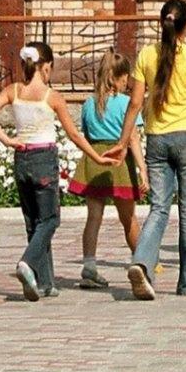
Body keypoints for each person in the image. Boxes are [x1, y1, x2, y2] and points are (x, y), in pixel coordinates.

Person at [0, 39, 91, 299]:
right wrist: (95, 156)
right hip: (43, 158)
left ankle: (45, 282)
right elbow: (74, 134)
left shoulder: (14, 91)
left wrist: (7, 139)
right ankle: (27, 263)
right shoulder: (51, 97)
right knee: (50, 219)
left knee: (34, 223)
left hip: (22, 158)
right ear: (46, 67)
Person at [128, 0, 186, 300]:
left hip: (155, 138)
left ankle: (142, 261)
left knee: (158, 207)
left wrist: (123, 140)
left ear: (161, 23)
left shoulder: (145, 55)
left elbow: (136, 102)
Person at [71, 46, 145, 291]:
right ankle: (141, 260)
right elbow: (133, 137)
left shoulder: (89, 103)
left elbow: (86, 132)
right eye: (125, 79)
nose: (127, 84)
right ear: (116, 78)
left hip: (94, 160)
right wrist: (142, 168)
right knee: (128, 218)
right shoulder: (126, 103)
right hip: (119, 162)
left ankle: (89, 265)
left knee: (94, 217)